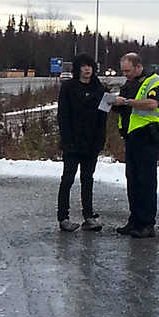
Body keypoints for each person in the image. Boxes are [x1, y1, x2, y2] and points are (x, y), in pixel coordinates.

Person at [113, 52, 159, 238]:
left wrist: (127, 102)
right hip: (132, 137)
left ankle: (147, 223)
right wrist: (114, 104)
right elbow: (125, 108)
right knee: (133, 180)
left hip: (147, 137)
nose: (126, 74)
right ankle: (135, 220)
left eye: (128, 70)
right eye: (123, 71)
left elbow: (152, 104)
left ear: (138, 66)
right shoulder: (129, 84)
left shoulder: (156, 83)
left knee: (146, 181)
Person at [57, 53, 108, 232]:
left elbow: (103, 116)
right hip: (72, 142)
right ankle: (63, 217)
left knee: (88, 179)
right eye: (84, 66)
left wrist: (101, 139)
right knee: (68, 179)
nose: (87, 69)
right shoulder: (68, 88)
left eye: (90, 66)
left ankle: (89, 216)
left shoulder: (99, 88)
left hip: (91, 142)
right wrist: (66, 139)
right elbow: (63, 115)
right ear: (77, 68)